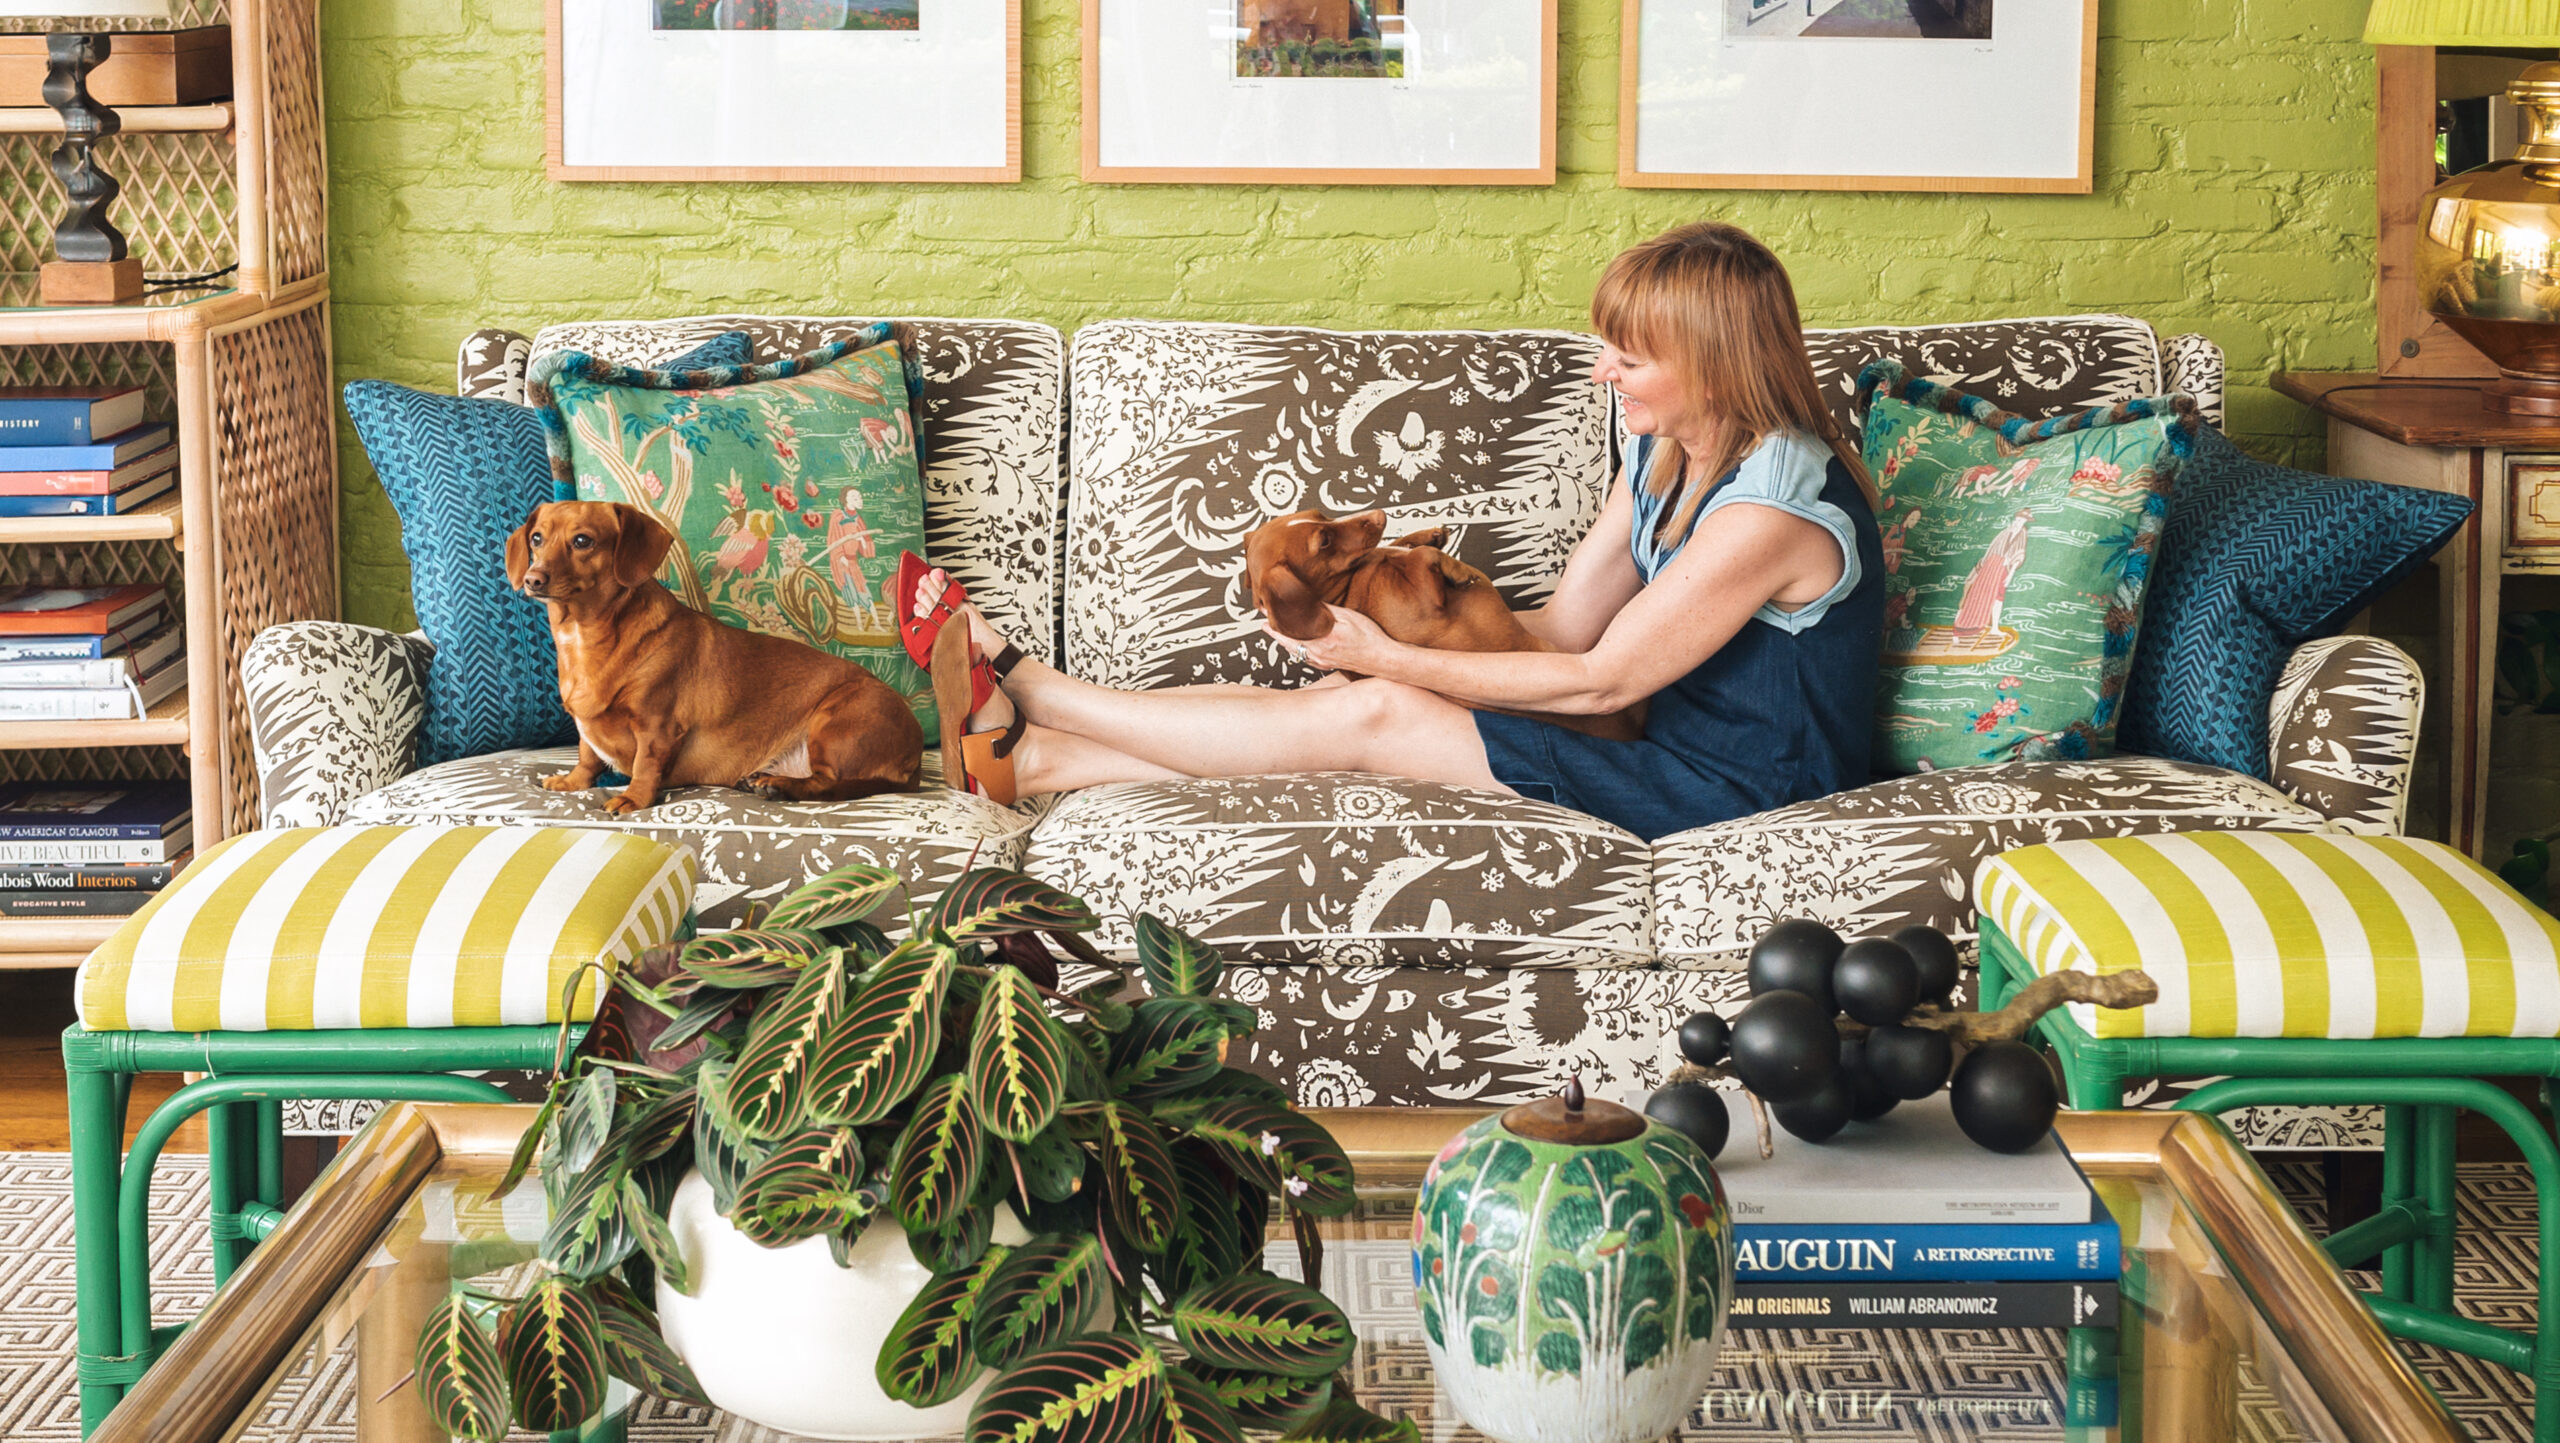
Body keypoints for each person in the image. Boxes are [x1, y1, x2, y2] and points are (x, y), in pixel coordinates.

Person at [904, 220, 1886, 842]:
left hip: (1745, 792)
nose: (1600, 374)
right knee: (1346, 702)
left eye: (1626, 361)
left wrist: (1391, 665)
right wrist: (1367, 651)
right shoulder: (1668, 451)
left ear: (1712, 366)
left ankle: (1031, 683)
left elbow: (1602, 679)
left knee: (1378, 715)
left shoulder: (1771, 509)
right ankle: (1036, 761)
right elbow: (1562, 628)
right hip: (1661, 748)